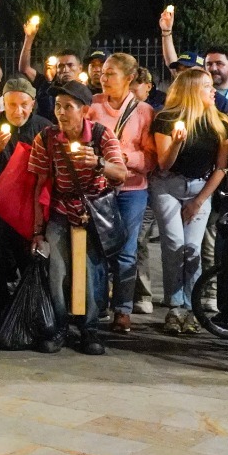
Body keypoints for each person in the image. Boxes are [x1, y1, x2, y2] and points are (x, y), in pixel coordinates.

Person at [29, 81, 128, 355]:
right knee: (57, 270)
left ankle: (90, 328)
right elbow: (40, 184)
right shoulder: (46, 138)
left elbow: (121, 173)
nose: (61, 112)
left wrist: (98, 163)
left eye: (68, 107)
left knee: (92, 272)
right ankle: (59, 326)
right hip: (61, 211)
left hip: (94, 212)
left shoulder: (101, 135)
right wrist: (38, 230)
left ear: (84, 110)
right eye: (58, 106)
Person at [148, 68, 228, 334]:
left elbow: (221, 168)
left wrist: (198, 201)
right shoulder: (166, 119)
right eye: (207, 86)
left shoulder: (220, 123)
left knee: (192, 248)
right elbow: (163, 163)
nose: (213, 90)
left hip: (200, 189)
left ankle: (191, 306)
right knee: (174, 244)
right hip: (168, 185)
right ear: (192, 90)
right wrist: (176, 144)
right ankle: (175, 307)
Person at [0, 77, 52, 320]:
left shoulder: (43, 128)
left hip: (28, 206)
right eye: (12, 105)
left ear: (33, 103)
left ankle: (26, 307)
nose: (18, 111)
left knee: (27, 255)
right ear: (2, 104)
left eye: (24, 104)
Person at [87, 53, 154, 332]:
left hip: (131, 189)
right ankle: (98, 305)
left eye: (110, 73)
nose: (103, 78)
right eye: (102, 73)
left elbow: (152, 158)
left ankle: (123, 310)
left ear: (129, 78)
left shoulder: (144, 112)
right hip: (99, 188)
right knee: (98, 248)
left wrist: (126, 158)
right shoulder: (93, 106)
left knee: (126, 250)